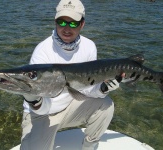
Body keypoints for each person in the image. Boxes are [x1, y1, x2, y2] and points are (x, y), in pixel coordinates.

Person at [20, 0, 122, 150]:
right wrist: (33, 99)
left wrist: (103, 89)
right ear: (55, 22)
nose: (66, 28)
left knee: (105, 104)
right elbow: (42, 108)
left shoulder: (89, 46)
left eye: (73, 23)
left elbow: (87, 89)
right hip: (41, 114)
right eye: (61, 22)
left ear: (82, 24)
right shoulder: (42, 51)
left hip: (70, 106)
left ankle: (88, 147)